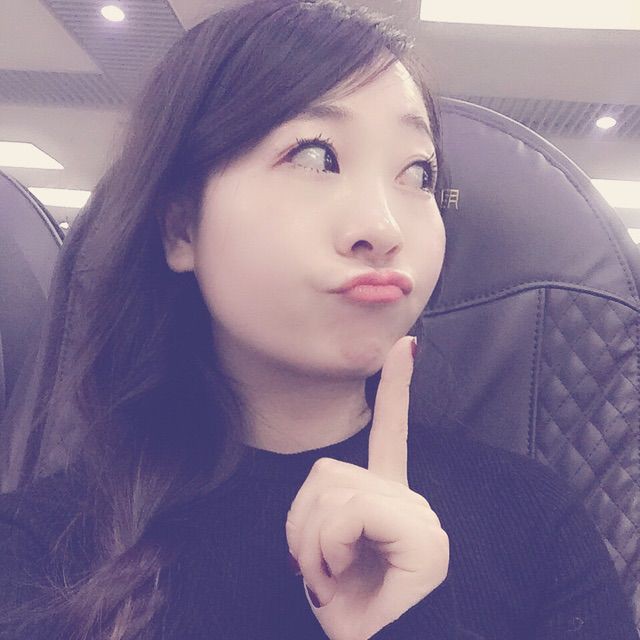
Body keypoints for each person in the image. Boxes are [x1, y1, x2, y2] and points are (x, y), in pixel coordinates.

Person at [0, 0, 637, 638]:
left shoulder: (534, 520)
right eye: (314, 157)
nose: (383, 228)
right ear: (180, 227)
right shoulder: (38, 548)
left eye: (418, 174)